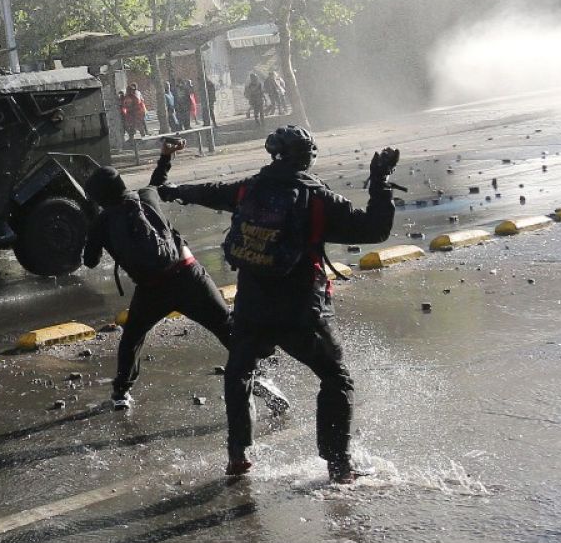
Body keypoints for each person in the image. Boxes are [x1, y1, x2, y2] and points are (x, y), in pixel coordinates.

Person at [161, 126, 399, 484]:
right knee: (336, 378)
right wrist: (380, 180)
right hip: (301, 312)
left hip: (252, 308)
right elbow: (374, 230)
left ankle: (238, 453)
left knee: (239, 372)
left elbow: (210, 191)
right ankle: (339, 465)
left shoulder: (248, 189)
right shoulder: (318, 198)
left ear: (273, 154)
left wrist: (173, 189)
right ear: (308, 158)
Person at [83, 139, 230, 410]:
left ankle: (121, 393)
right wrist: (165, 157)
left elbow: (90, 262)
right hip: (189, 275)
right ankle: (256, 372)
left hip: (152, 290)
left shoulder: (102, 222)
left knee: (132, 339)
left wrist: (94, 230)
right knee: (225, 325)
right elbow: (157, 184)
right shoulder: (147, 197)